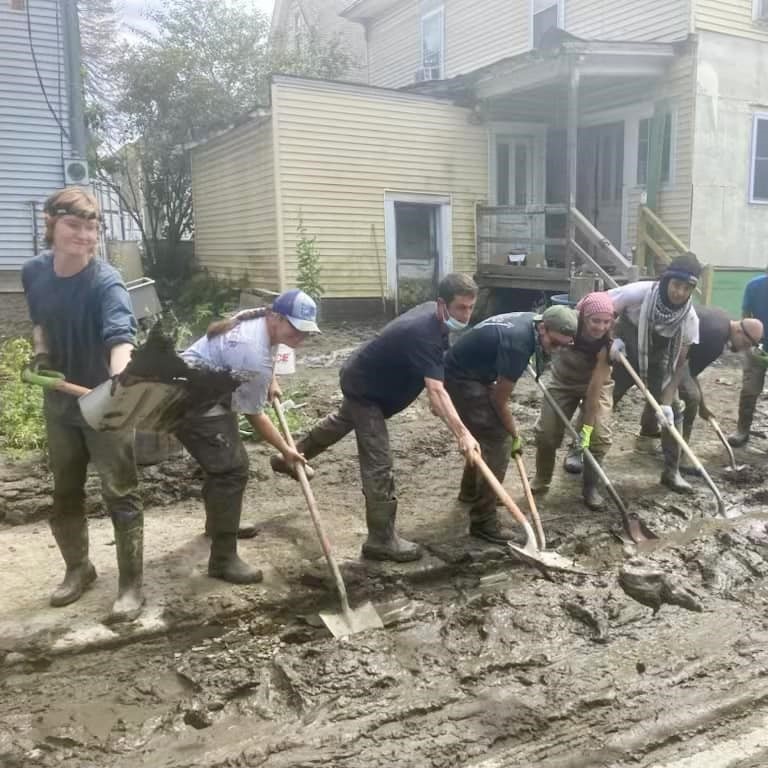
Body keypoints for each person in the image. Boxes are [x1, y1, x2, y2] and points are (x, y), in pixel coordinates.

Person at [270, 273, 482, 563]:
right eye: (461, 308)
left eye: (471, 308)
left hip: (369, 379)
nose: (466, 315)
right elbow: (436, 391)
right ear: (442, 303)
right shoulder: (424, 332)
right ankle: (381, 539)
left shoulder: (435, 318)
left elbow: (434, 384)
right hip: (366, 390)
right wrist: (463, 433)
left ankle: (288, 457)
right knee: (379, 461)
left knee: (341, 421)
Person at [21, 187, 144, 622]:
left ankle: (131, 586)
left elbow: (121, 338)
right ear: (52, 224)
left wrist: (117, 383)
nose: (85, 236)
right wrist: (41, 355)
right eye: (75, 225)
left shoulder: (106, 282)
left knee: (120, 492)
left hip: (105, 407)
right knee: (65, 492)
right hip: (59, 404)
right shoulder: (33, 271)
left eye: (92, 227)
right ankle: (79, 569)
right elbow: (40, 323)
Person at [178, 289, 318, 584]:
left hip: (202, 388)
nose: (301, 338)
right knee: (232, 469)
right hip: (191, 403)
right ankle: (223, 559)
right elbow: (254, 416)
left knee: (222, 465)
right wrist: (286, 450)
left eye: (306, 332)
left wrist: (271, 380)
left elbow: (263, 357)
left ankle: (217, 524)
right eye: (296, 329)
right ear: (276, 317)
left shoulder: (257, 323)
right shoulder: (251, 353)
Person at [445, 305, 579, 542]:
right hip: (460, 377)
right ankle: (484, 522)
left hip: (475, 371)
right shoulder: (519, 344)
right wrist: (514, 434)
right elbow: (499, 400)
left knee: (485, 436)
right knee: (498, 441)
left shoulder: (531, 320)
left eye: (564, 345)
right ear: (542, 328)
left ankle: (470, 492)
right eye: (555, 343)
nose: (557, 350)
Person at [531, 293, 615, 510]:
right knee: (546, 433)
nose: (600, 327)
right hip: (563, 381)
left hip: (596, 385)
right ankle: (541, 480)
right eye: (595, 320)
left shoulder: (607, 342)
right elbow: (544, 335)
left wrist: (584, 435)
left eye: (606, 321)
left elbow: (594, 392)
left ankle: (589, 488)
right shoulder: (567, 324)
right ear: (584, 316)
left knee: (598, 437)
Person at [677, 307, 763, 462]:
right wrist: (700, 404)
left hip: (672, 347)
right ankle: (679, 452)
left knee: (684, 392)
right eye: (745, 343)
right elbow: (689, 373)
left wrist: (703, 408)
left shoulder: (723, 318)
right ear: (739, 331)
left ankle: (647, 434)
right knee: (691, 397)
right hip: (666, 349)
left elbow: (691, 372)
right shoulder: (716, 339)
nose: (744, 349)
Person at [728, 272, 768, 447]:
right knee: (750, 389)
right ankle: (742, 430)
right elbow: (745, 315)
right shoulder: (755, 286)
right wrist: (749, 342)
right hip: (758, 345)